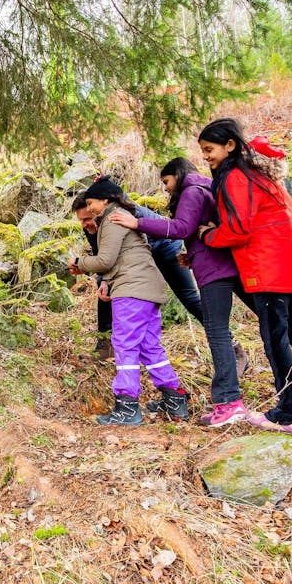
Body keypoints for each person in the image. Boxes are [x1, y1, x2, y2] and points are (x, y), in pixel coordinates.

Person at [196, 119, 292, 437]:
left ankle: (291, 411)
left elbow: (238, 229)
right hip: (287, 264)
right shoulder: (259, 176)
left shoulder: (236, 178)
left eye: (209, 150)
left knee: (275, 340)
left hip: (267, 268)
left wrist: (209, 235)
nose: (206, 157)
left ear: (230, 146)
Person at [109, 158, 252, 426]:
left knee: (194, 303)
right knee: (204, 315)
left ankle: (233, 356)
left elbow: (179, 229)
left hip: (168, 250)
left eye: (166, 181)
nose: (165, 188)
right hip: (187, 256)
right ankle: (197, 389)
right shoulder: (196, 190)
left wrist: (137, 224)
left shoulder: (131, 213)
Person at [69, 176, 188, 425]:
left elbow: (105, 260)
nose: (89, 209)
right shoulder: (121, 216)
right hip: (146, 287)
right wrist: (105, 282)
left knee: (124, 345)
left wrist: (80, 264)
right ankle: (174, 397)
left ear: (105, 199)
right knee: (149, 345)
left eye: (91, 203)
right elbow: (122, 258)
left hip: (132, 290)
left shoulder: (113, 219)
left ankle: (127, 406)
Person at [71, 193, 203, 361]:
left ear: (98, 209)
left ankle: (231, 345)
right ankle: (105, 347)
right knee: (103, 287)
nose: (84, 224)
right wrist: (104, 278)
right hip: (136, 253)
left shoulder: (124, 213)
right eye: (81, 220)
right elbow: (101, 253)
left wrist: (81, 263)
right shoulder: (92, 225)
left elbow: (116, 256)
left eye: (87, 218)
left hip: (164, 246)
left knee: (189, 297)